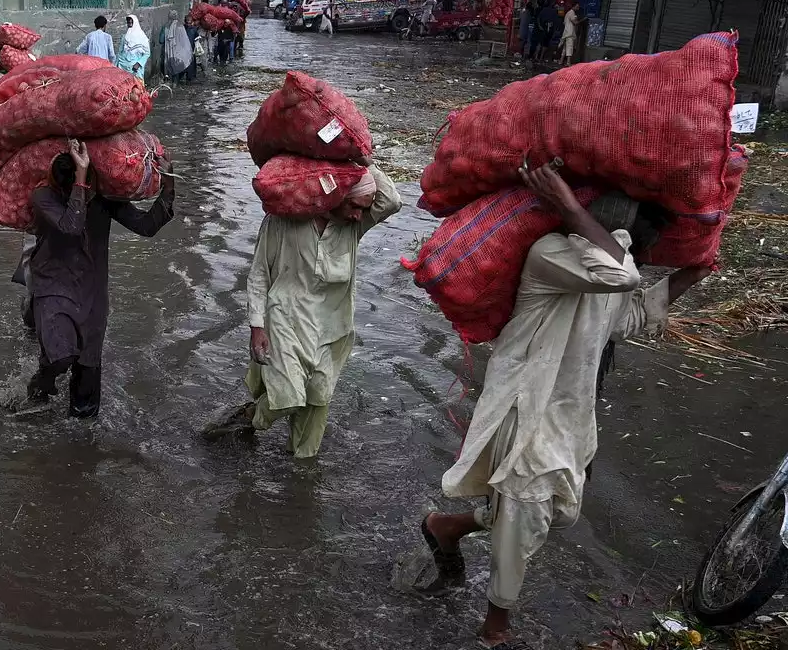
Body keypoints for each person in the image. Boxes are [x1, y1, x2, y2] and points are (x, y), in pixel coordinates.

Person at [418, 161, 713, 650]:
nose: (637, 248)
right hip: (528, 405)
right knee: (527, 508)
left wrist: (693, 273)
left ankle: (446, 526)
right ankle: (496, 627)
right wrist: (569, 207)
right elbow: (619, 274)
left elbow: (630, 315)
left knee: (553, 510)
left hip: (570, 409)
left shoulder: (602, 268)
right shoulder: (552, 253)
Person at [202, 168, 403, 458]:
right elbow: (259, 273)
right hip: (285, 319)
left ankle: (301, 470)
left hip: (333, 325)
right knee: (288, 399)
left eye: (365, 209)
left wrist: (360, 159)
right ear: (333, 198)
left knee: (317, 400)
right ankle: (248, 416)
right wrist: (256, 325)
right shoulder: (283, 221)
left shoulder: (354, 227)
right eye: (355, 207)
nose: (360, 215)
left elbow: (392, 201)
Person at [27, 139, 175, 418]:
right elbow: (72, 225)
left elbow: (146, 227)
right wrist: (82, 176)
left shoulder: (105, 200)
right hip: (53, 287)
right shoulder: (43, 197)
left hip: (92, 293)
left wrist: (167, 186)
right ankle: (40, 382)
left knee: (86, 394)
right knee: (61, 357)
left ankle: (82, 453)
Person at [116, 14, 151, 80]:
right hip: (123, 67)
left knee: (136, 88)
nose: (129, 25)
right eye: (128, 23)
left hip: (136, 69)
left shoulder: (142, 38)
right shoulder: (125, 37)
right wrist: (117, 64)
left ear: (135, 23)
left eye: (131, 23)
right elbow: (120, 52)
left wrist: (138, 64)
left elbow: (147, 53)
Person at [161, 10, 193, 82]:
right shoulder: (180, 26)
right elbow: (184, 41)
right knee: (176, 70)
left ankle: (167, 82)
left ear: (169, 17)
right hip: (178, 54)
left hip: (168, 53)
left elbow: (161, 40)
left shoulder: (165, 27)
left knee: (168, 69)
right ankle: (175, 84)